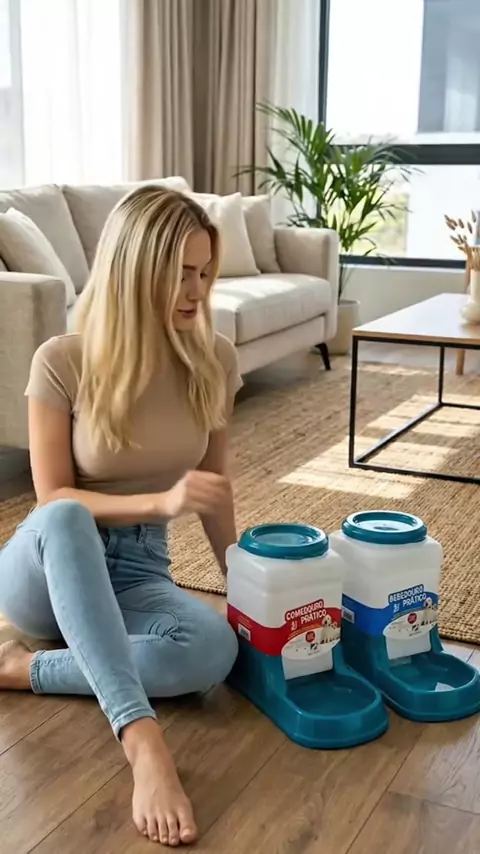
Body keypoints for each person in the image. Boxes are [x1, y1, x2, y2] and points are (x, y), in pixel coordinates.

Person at [0, 186, 242, 847]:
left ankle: (21, 671)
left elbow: (214, 488)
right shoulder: (63, 360)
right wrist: (158, 504)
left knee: (214, 650)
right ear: (135, 269)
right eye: (180, 273)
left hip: (138, 570)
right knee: (66, 517)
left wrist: (246, 591)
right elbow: (53, 499)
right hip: (46, 569)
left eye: (204, 273)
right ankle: (142, 741)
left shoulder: (214, 359)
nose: (196, 291)